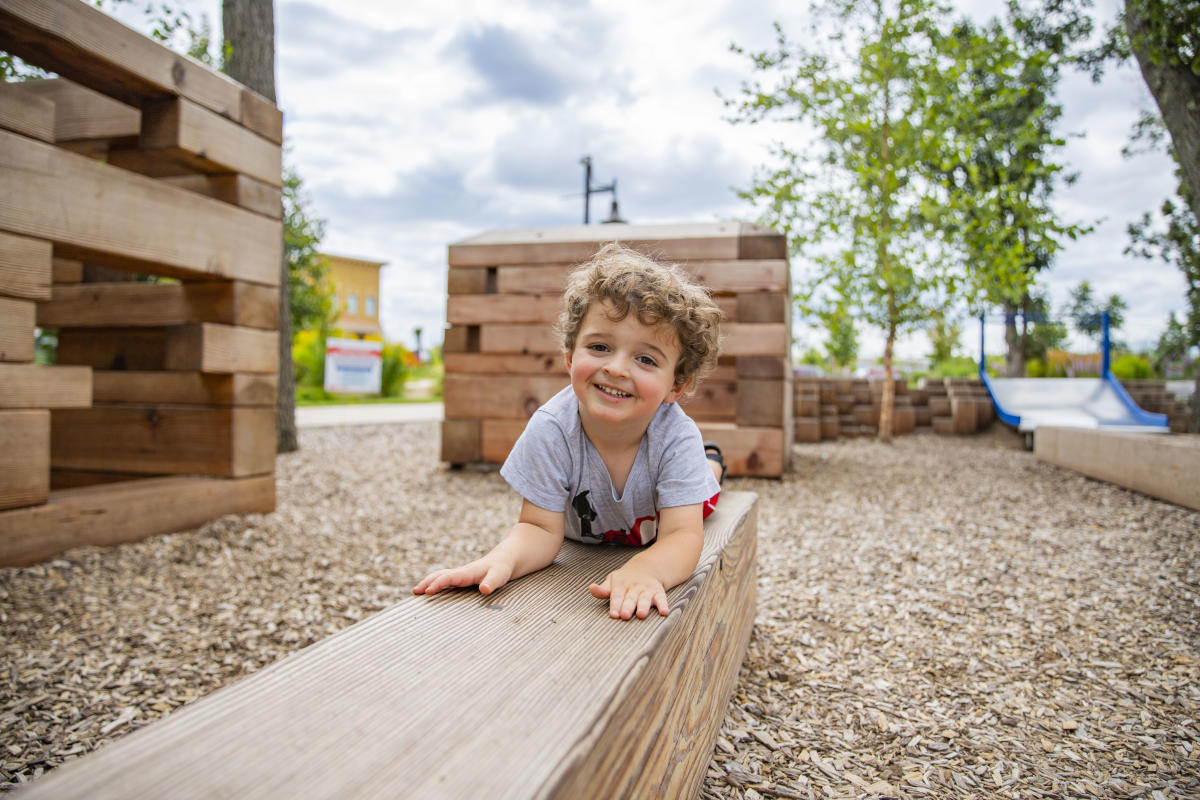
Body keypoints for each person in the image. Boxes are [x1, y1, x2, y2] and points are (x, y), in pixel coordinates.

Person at [413, 243, 725, 620]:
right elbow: (539, 529)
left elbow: (682, 536)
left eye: (645, 359)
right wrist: (501, 561)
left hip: (656, 519)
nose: (617, 368)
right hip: (606, 526)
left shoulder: (675, 438)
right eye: (599, 346)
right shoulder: (552, 429)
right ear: (569, 356)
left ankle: (711, 460)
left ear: (675, 386)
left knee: (707, 490)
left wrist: (646, 570)